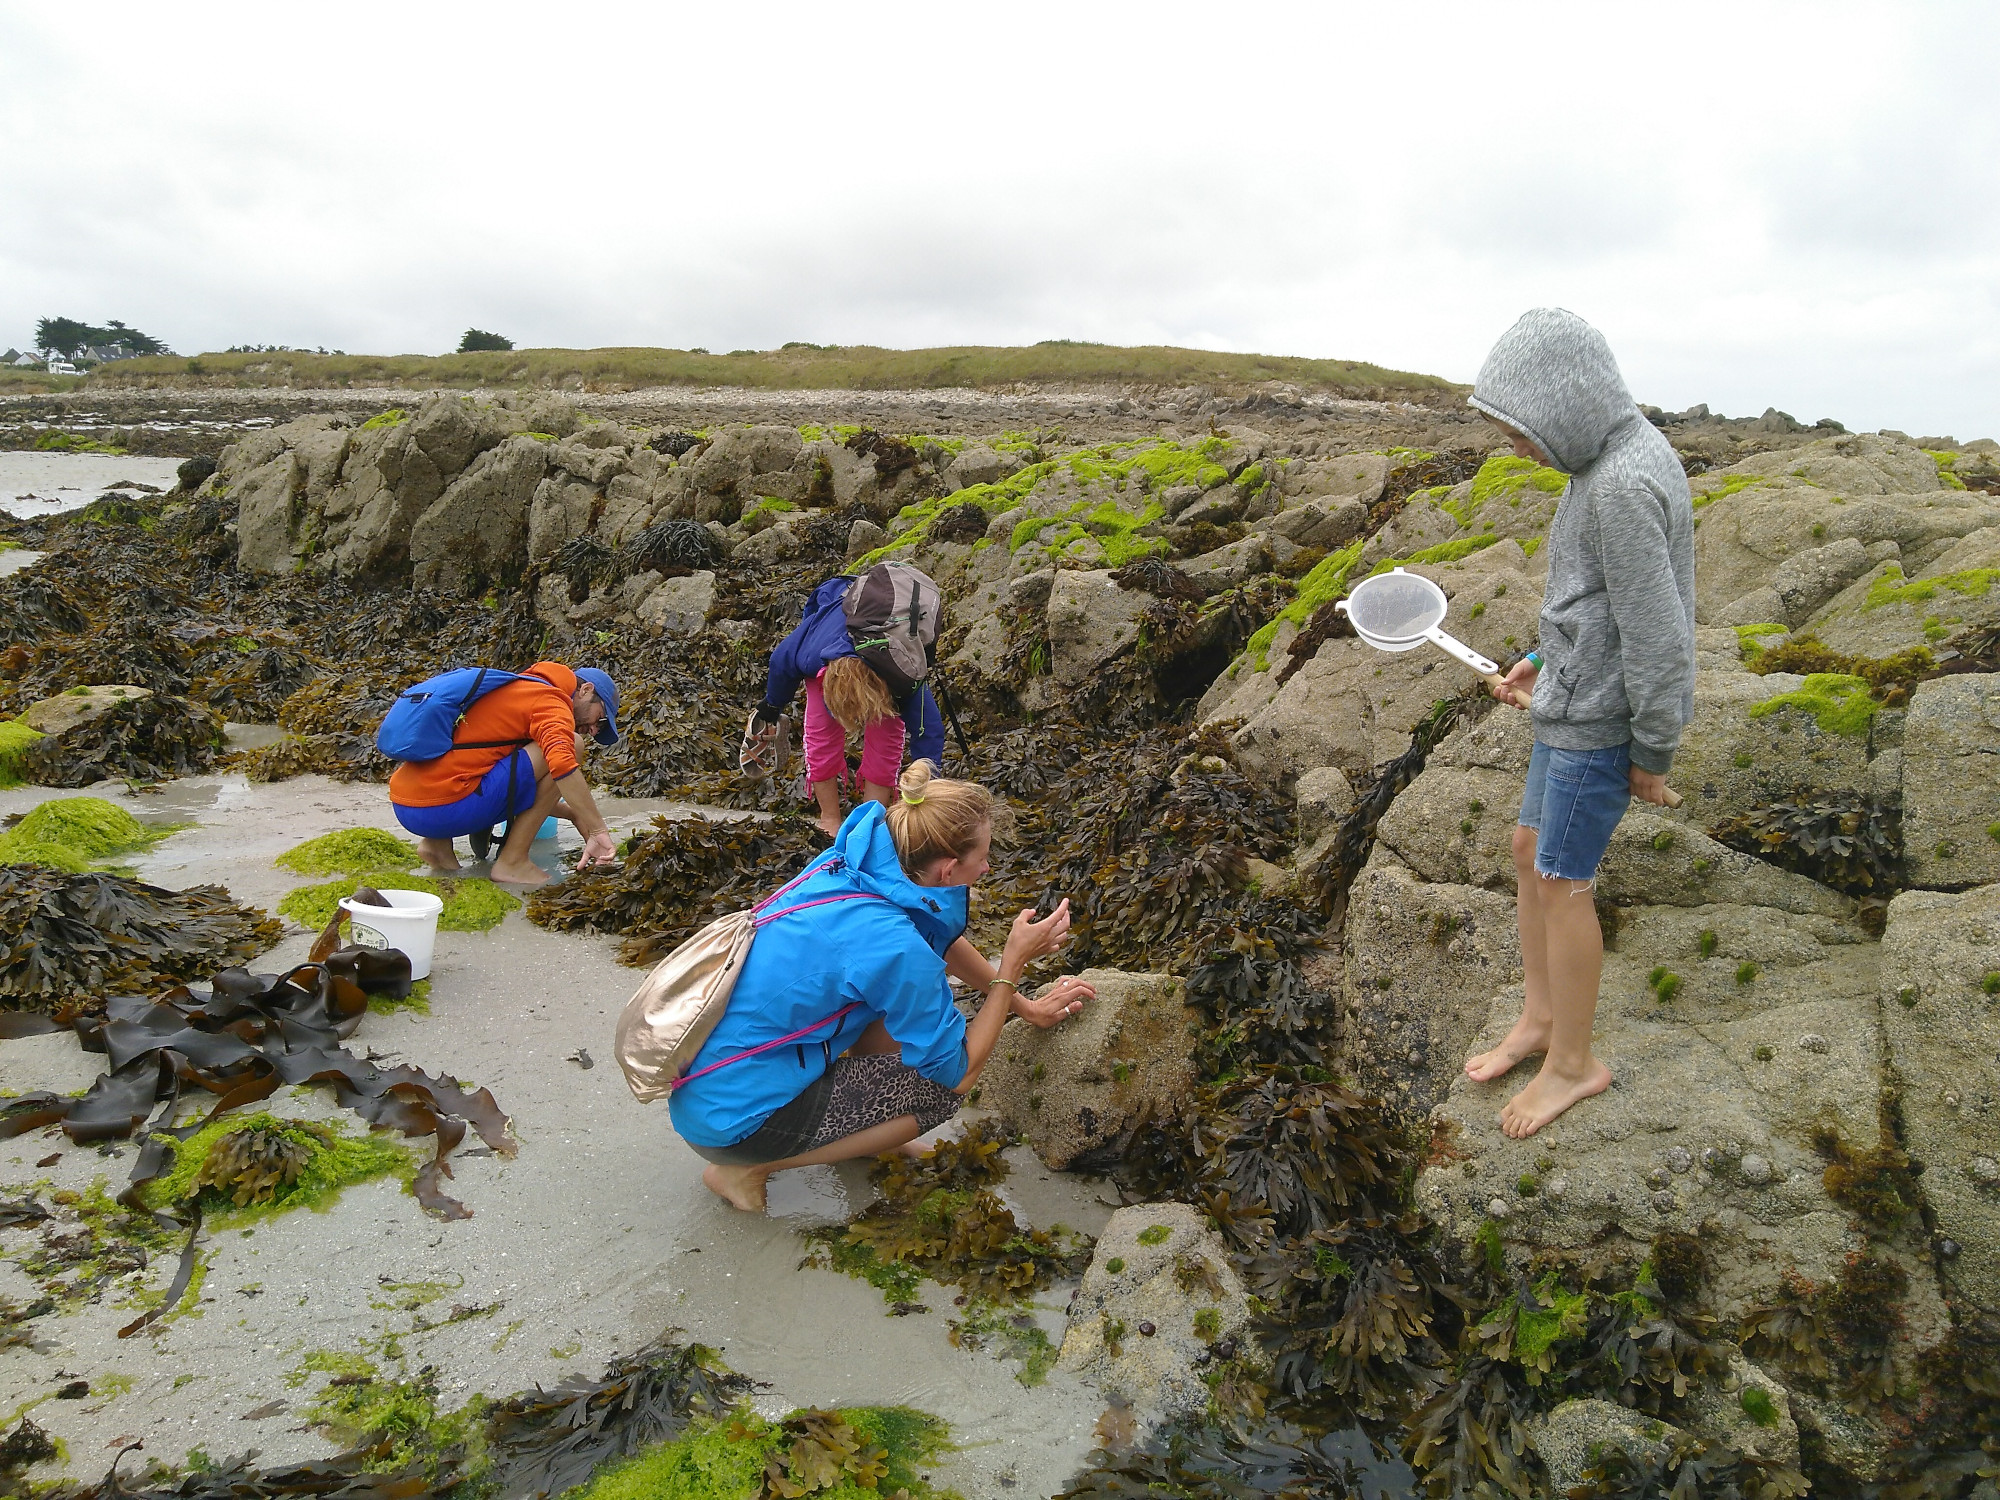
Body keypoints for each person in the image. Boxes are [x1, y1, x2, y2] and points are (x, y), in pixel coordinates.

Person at [1460, 308, 1695, 1139]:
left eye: (1522, 434)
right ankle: (1539, 1021)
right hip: (1569, 701)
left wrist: (1653, 752)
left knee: (1565, 884)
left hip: (1599, 730)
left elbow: (1659, 635)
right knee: (1531, 853)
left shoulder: (1626, 484)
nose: (1517, 450)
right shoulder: (1597, 466)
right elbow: (1594, 603)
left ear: (1564, 404)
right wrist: (1542, 658)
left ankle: (1574, 1064)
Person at [674, 759, 1095, 1213]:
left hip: (705, 1080)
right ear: (949, 871)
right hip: (734, 1122)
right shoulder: (894, 944)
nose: (989, 866)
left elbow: (943, 941)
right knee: (939, 1090)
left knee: (882, 1005)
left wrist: (1026, 1007)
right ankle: (747, 1168)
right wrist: (1012, 961)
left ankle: (869, 1137)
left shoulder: (853, 861)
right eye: (984, 857)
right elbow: (960, 1070)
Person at [387, 661, 624, 888]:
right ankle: (513, 862)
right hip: (447, 809)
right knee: (572, 744)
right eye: (600, 720)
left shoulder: (516, 688)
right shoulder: (551, 700)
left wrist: (573, 813)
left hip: (408, 807)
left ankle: (436, 846)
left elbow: (511, 784)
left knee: (472, 758)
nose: (593, 730)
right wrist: (598, 830)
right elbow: (562, 765)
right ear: (585, 689)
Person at [752, 574, 945, 837]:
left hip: (888, 653)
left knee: (886, 740)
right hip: (833, 643)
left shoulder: (903, 677)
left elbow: (929, 732)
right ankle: (829, 818)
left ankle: (870, 820)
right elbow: (779, 663)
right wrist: (772, 706)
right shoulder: (809, 653)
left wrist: (924, 787)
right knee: (821, 736)